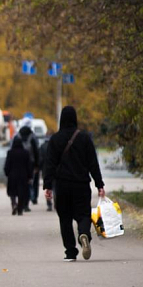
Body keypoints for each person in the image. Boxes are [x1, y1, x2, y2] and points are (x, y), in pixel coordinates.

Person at [43, 106, 105, 261]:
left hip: (62, 186)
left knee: (65, 218)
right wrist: (99, 184)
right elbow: (93, 163)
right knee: (83, 214)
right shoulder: (84, 138)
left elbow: (49, 163)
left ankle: (70, 252)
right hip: (81, 184)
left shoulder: (55, 139)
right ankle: (84, 234)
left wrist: (48, 185)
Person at [14, 118, 40, 211]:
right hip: (31, 163)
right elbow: (36, 151)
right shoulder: (32, 137)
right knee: (30, 183)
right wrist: (37, 165)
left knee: (20, 184)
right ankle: (28, 202)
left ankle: (20, 201)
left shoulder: (17, 136)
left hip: (19, 163)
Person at [4, 137, 33, 215]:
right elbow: (29, 165)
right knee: (22, 193)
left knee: (12, 192)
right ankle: (20, 209)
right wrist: (30, 176)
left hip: (12, 175)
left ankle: (14, 204)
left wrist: (7, 173)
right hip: (23, 176)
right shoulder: (25, 153)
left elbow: (7, 165)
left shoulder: (10, 152)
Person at [39, 133, 53, 212]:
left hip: (45, 169)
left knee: (48, 187)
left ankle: (49, 204)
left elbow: (40, 159)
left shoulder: (42, 147)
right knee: (55, 186)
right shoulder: (54, 146)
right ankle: (56, 201)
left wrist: (40, 168)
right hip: (55, 169)